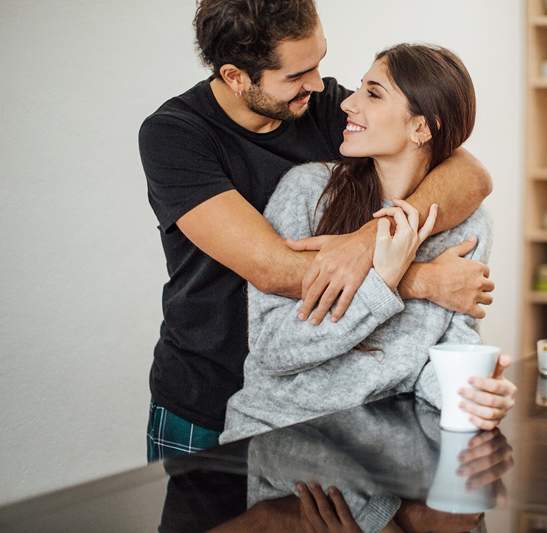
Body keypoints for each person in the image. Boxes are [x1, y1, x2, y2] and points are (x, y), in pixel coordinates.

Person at [139, 0, 495, 460]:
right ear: (235, 76)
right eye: (295, 75)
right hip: (207, 393)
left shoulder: (319, 104)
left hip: (325, 404)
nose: (319, 83)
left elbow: (468, 173)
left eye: (318, 62)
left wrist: (371, 240)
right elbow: (273, 268)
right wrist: (421, 281)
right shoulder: (177, 135)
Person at [220, 43, 516, 444]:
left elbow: (445, 356)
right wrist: (381, 284)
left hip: (379, 450)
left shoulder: (470, 226)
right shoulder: (308, 192)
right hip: (279, 437)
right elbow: (273, 348)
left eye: (373, 94)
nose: (347, 104)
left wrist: (470, 395)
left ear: (422, 127)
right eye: (360, 88)